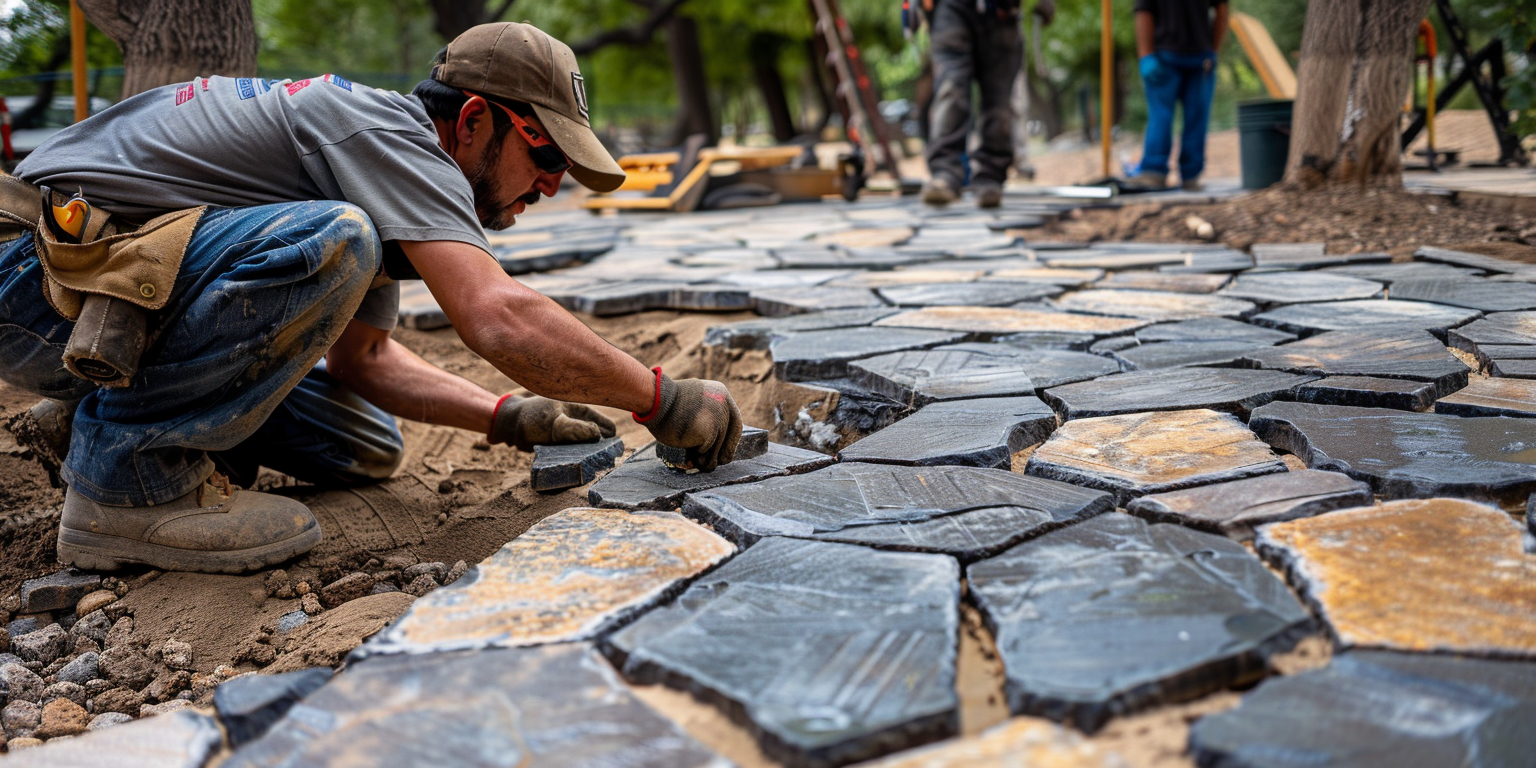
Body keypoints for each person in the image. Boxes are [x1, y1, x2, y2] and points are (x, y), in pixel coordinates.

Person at [0, 23, 743, 575]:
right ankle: (126, 483)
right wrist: (663, 401)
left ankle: (87, 418)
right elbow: (498, 317)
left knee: (363, 442)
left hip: (91, 292)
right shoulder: (388, 132)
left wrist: (509, 417)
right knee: (337, 237)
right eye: (545, 155)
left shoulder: (378, 162)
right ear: (475, 118)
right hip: (31, 272)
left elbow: (368, 359)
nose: (552, 186)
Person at [921, 0, 1054, 208]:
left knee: (999, 101)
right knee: (951, 89)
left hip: (1002, 9)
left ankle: (989, 177)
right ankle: (946, 174)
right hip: (950, 7)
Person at [1123, 0, 1229, 191]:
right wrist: (1212, 51)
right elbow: (1144, 11)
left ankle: (1176, 173)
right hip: (1173, 57)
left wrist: (1145, 54)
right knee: (1176, 116)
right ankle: (1169, 172)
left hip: (1187, 57)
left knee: (1174, 115)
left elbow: (1143, 12)